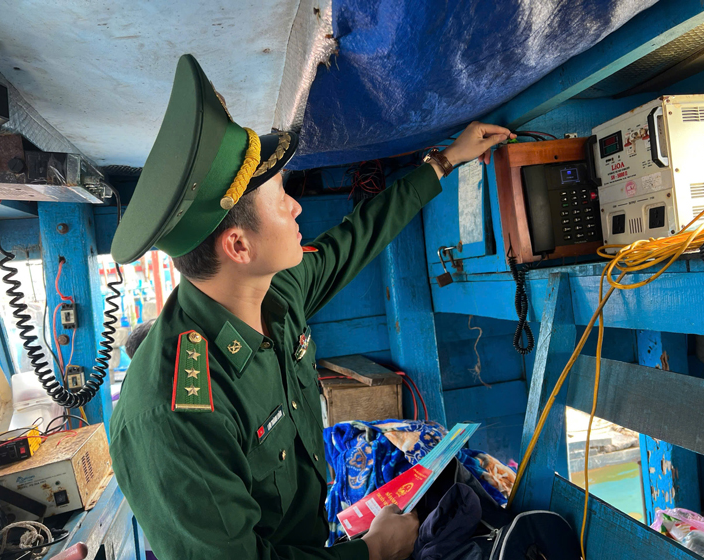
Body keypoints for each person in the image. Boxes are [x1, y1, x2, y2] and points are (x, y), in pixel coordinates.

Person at [108, 54, 514, 560]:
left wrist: (445, 162)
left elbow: (356, 238)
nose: (296, 206)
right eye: (281, 198)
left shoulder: (273, 294)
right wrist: (373, 553)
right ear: (239, 246)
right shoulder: (171, 416)